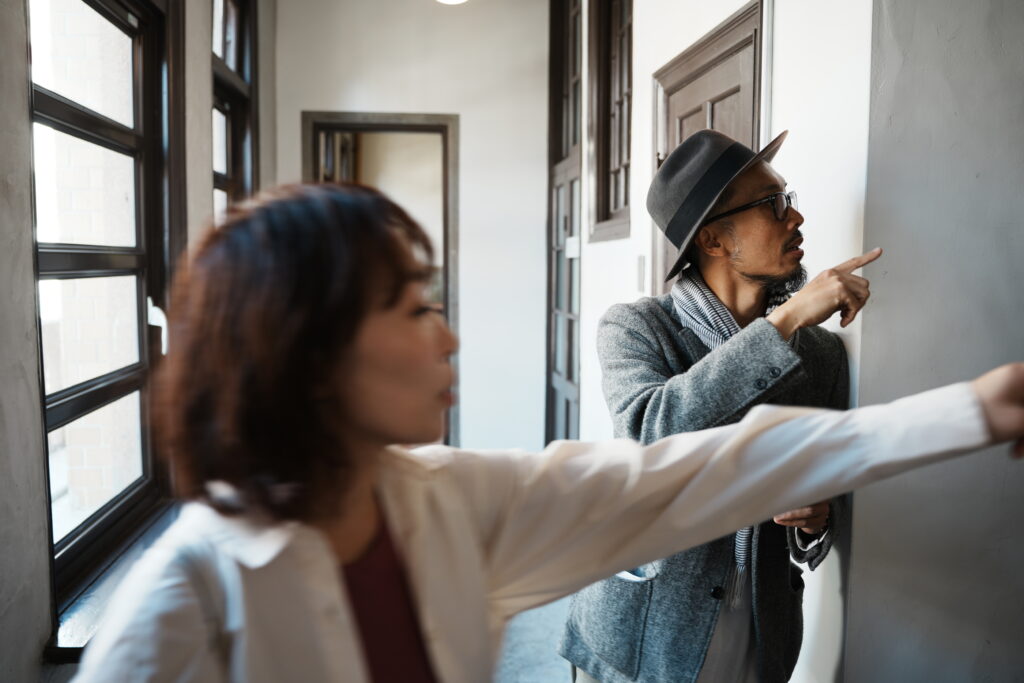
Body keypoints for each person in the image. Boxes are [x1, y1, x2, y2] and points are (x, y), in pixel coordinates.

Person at [70, 183, 1024, 683]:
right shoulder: (183, 608)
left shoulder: (452, 503)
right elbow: (660, 434)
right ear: (310, 350)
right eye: (411, 309)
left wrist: (972, 408)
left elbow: (714, 469)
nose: (448, 336)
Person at [561, 129, 879, 683]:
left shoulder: (822, 355)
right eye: (773, 203)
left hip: (761, 630)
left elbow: (832, 487)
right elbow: (651, 432)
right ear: (712, 240)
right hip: (641, 634)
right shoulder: (637, 326)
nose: (796, 218)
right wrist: (784, 322)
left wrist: (818, 517)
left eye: (789, 198)